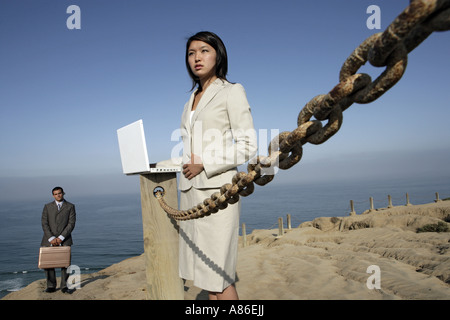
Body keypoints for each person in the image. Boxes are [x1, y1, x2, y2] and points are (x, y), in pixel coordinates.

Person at [160, 31, 257, 300]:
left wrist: (205, 163)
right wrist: (155, 164)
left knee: (219, 277)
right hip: (190, 195)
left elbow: (248, 145)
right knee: (205, 276)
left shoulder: (231, 91)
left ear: (218, 54)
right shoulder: (189, 100)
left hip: (218, 195)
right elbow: (187, 153)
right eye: (191, 53)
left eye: (204, 51)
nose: (197, 58)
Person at [40, 186, 76, 293]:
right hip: (48, 239)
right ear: (53, 195)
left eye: (59, 193)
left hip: (65, 239)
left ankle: (65, 286)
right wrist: (51, 237)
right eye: (55, 194)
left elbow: (71, 223)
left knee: (65, 263)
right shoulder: (47, 206)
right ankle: (51, 286)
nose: (58, 195)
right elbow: (44, 223)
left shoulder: (70, 206)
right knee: (48, 263)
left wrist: (61, 238)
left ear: (63, 193)